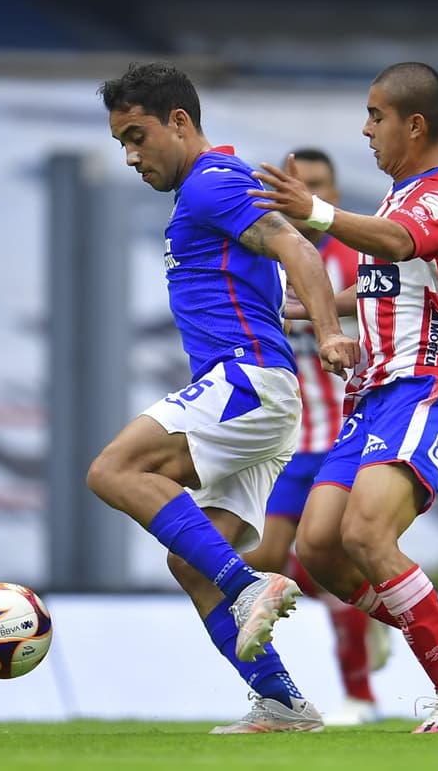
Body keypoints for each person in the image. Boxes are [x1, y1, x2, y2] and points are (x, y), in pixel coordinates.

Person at [88, 62, 361, 734]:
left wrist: (329, 332)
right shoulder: (205, 195)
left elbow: (297, 246)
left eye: (137, 135)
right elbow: (266, 275)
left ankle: (251, 586)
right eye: (120, 141)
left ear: (179, 121)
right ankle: (282, 701)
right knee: (191, 561)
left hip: (245, 385)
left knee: (114, 471)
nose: (130, 155)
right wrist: (295, 310)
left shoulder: (213, 180)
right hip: (259, 396)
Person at [248, 61, 438, 734]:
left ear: (415, 125)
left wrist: (318, 212)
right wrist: (313, 307)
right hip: (372, 400)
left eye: (376, 116)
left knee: (365, 531)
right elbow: (389, 285)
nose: (366, 129)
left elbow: (399, 242)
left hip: (426, 388)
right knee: (322, 548)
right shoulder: (395, 197)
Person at [238, 147, 392, 727]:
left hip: (340, 435)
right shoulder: (263, 259)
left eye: (320, 186)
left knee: (324, 550)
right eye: (299, 186)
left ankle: (361, 698)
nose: (308, 197)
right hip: (284, 443)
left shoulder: (355, 259)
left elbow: (384, 322)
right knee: (269, 562)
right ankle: (364, 603)